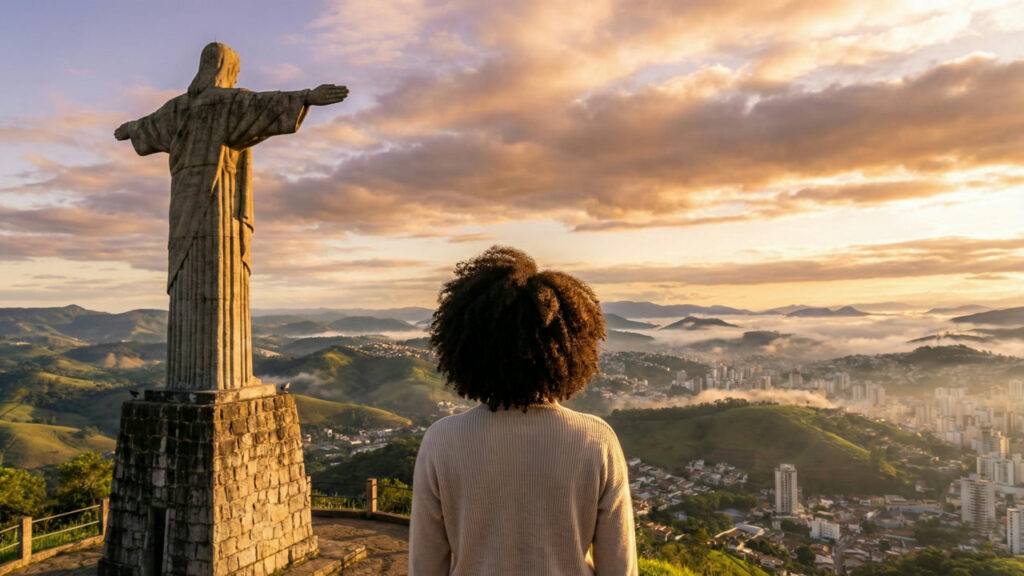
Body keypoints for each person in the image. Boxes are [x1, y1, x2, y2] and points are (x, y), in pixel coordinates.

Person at [113, 42, 347, 391]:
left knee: (189, 280)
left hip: (181, 207)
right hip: (219, 206)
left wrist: (130, 128)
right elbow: (266, 105)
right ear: (227, 70)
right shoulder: (228, 102)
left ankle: (185, 379)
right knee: (220, 275)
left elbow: (146, 126)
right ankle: (222, 379)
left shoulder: (177, 108)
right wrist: (308, 96)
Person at [410, 246, 638, 575]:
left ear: (468, 346)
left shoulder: (441, 440)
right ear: (571, 347)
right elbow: (620, 567)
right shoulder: (597, 441)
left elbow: (425, 566)